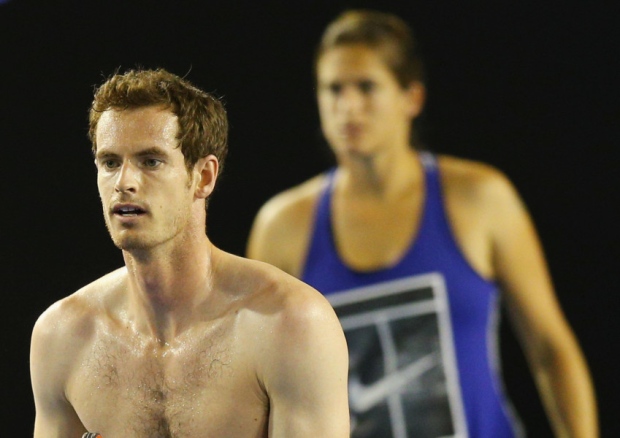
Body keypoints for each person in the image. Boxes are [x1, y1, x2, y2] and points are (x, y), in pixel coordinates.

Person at [247, 9, 598, 438]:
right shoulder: (282, 226)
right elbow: (260, 389)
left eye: (367, 87)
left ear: (411, 98)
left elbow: (549, 349)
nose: (348, 106)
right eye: (334, 89)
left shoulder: (480, 197)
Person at [29, 68, 350, 437]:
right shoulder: (62, 337)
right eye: (110, 162)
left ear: (204, 177)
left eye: (151, 161)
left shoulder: (290, 323)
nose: (124, 183)